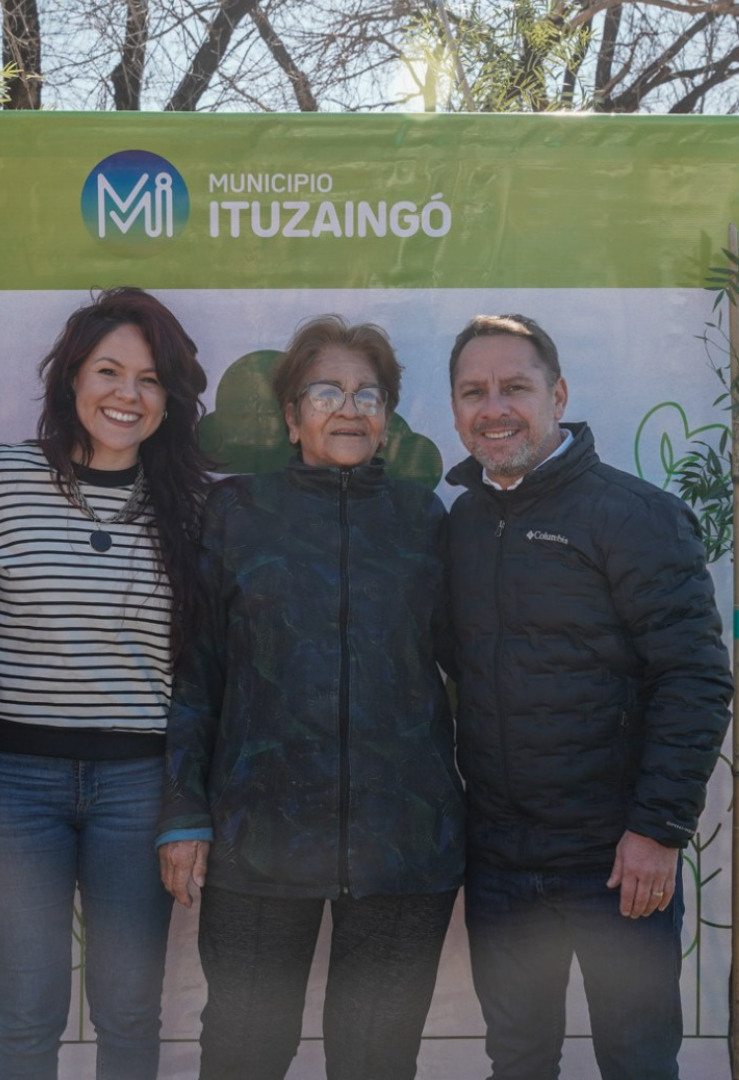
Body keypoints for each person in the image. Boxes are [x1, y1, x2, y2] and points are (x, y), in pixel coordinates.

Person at [158, 315, 465, 1080]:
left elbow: (471, 665)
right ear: (292, 418)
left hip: (403, 843)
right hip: (259, 837)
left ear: (387, 417)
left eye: (369, 394)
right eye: (326, 392)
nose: (349, 408)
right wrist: (185, 808)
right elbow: (197, 672)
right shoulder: (237, 514)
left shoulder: (423, 518)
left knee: (375, 1060)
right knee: (244, 1054)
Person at [445, 313, 733, 1080]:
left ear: (559, 395)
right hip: (500, 860)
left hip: (616, 860)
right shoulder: (463, 523)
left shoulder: (634, 515)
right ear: (456, 408)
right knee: (518, 1060)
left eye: (515, 386)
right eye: (474, 391)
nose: (494, 408)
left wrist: (658, 829)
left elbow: (695, 676)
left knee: (637, 1062)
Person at [0, 286, 210, 1080]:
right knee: (28, 1012)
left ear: (171, 397)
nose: (128, 394)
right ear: (71, 379)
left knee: (128, 1010)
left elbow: (207, 670)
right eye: (109, 371)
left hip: (139, 786)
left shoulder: (194, 508)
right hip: (12, 786)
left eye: (150, 379)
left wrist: (190, 800)